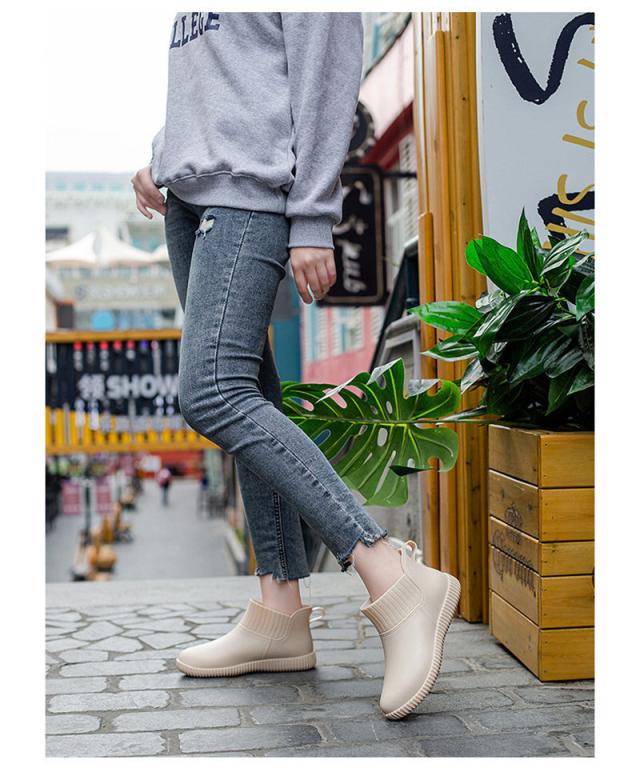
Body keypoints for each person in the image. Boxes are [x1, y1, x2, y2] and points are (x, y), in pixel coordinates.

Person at [132, 11, 460, 720]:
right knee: (248, 387)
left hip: (250, 199)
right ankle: (279, 609)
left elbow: (326, 80)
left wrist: (312, 219)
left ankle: (390, 571)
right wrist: (166, 153)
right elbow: (218, 77)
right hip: (187, 200)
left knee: (213, 393)